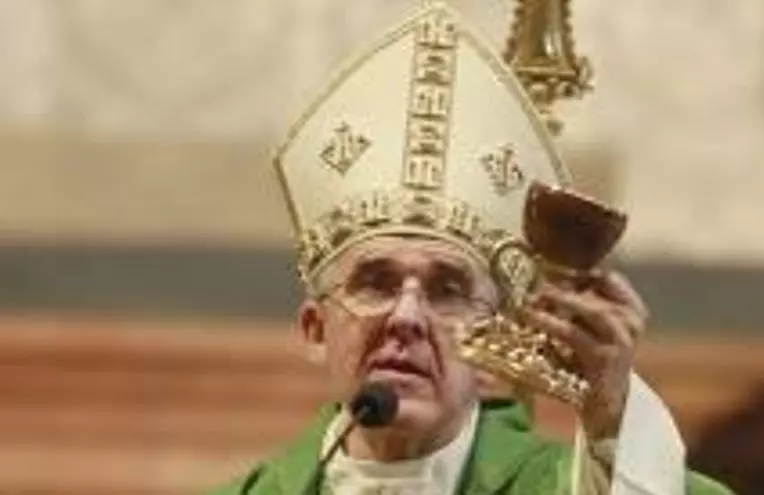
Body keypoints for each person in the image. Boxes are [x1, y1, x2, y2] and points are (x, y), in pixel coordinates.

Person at [210, 3, 732, 494]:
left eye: (448, 291)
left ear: (493, 340)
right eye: (376, 284)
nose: (407, 318)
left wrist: (611, 415)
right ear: (315, 329)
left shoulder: (573, 483)